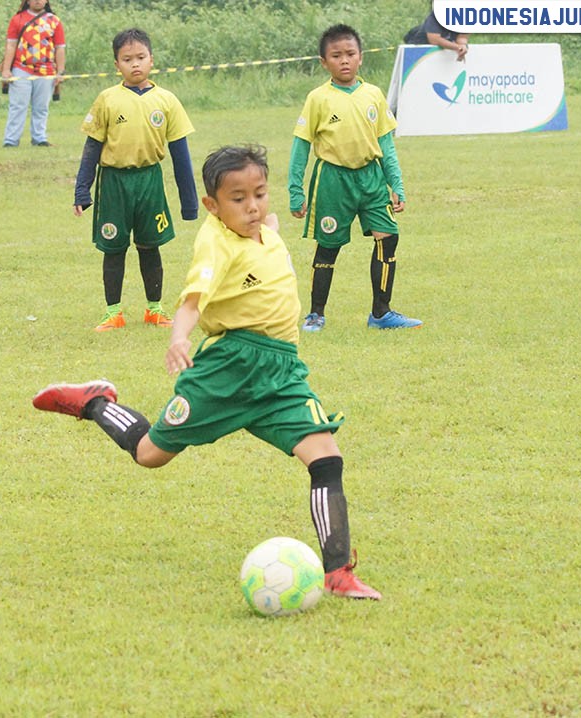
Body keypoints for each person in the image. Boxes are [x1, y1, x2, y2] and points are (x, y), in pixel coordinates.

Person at [35, 145, 382, 600]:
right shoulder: (214, 244)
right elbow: (193, 300)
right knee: (149, 454)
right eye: (238, 199)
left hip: (281, 373)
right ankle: (95, 401)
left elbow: (271, 227)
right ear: (213, 207)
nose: (252, 206)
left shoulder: (266, 230)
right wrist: (179, 336)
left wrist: (269, 223)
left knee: (326, 457)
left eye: (259, 193)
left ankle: (338, 573)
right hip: (228, 367)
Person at [289, 24, 421, 332]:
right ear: (324, 62)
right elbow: (301, 147)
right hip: (333, 181)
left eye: (350, 54)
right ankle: (316, 314)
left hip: (371, 179)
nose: (344, 61)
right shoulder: (318, 98)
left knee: (388, 237)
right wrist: (296, 191)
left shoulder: (373, 95)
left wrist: (396, 185)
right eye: (336, 56)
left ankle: (381, 313)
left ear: (360, 57)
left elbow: (386, 145)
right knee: (328, 245)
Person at [74, 28, 198, 332]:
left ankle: (154, 309)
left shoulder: (166, 101)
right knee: (113, 247)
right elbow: (91, 148)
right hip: (114, 182)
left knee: (150, 246)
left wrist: (190, 203)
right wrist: (81, 190)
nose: (135, 64)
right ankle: (113, 313)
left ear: (151, 59)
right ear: (117, 64)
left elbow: (180, 154)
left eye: (141, 57)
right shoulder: (107, 99)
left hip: (149, 181)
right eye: (127, 59)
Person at [0, 0, 65, 147]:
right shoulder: (18, 19)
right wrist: (6, 69)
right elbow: (11, 45)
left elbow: (60, 48)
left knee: (41, 107)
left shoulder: (54, 21)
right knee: (18, 105)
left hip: (47, 71)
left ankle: (39, 138)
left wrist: (60, 71)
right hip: (21, 68)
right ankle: (10, 140)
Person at [403, 10, 469, 61]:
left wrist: (462, 46)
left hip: (441, 53)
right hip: (419, 48)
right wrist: (457, 47)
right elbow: (434, 40)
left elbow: (462, 37)